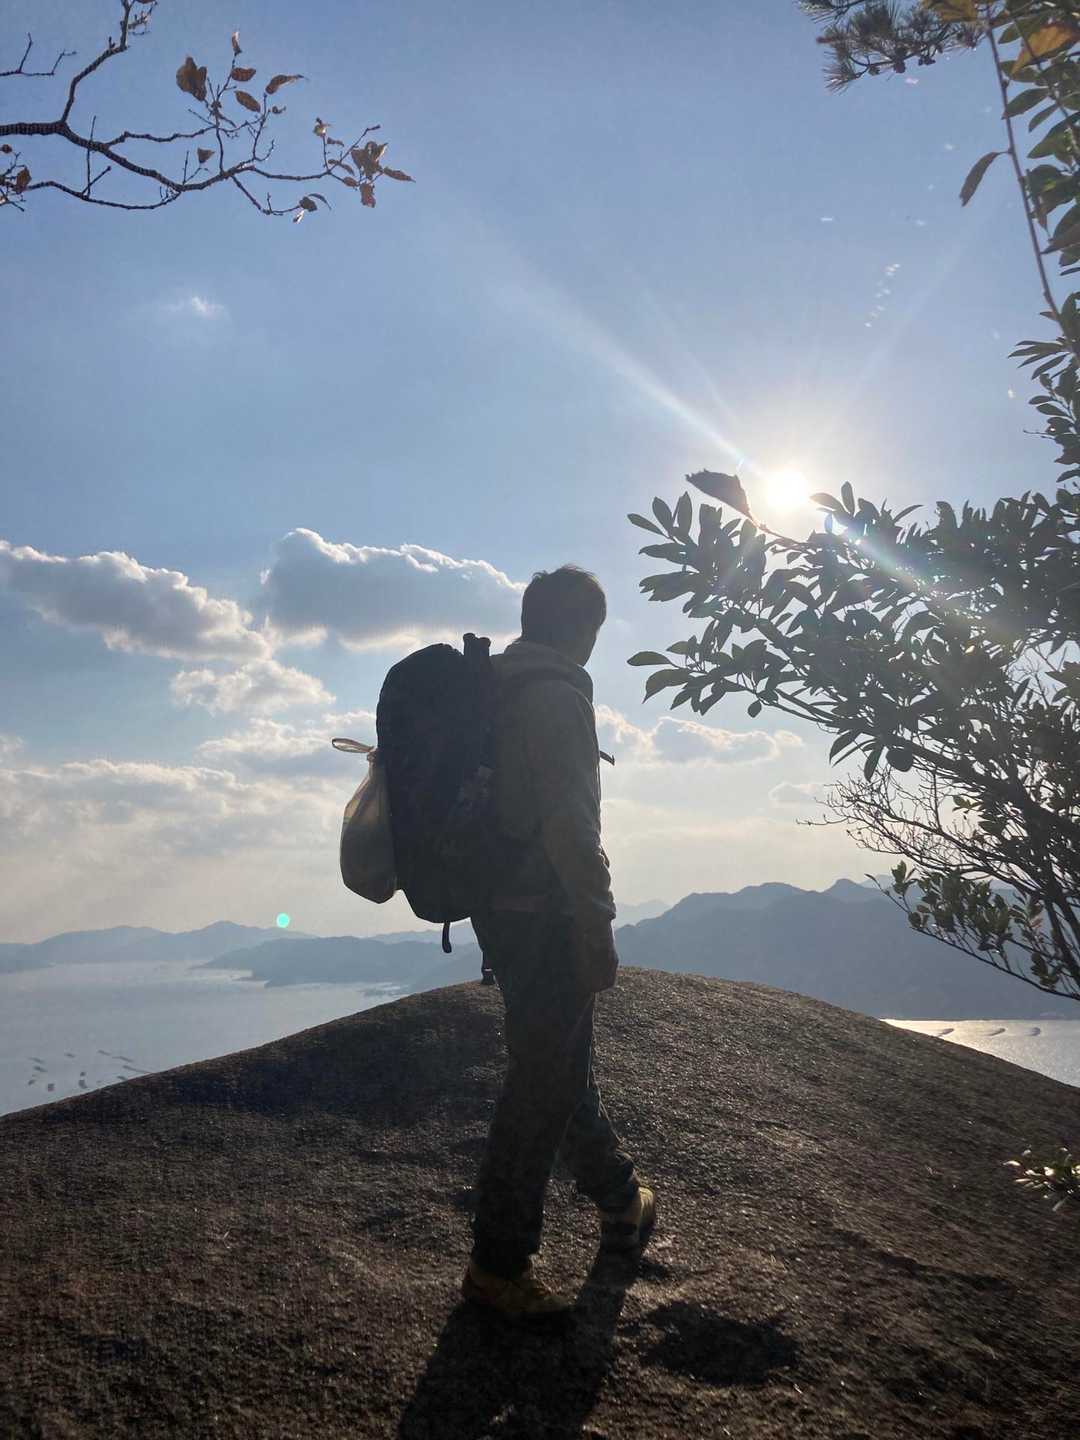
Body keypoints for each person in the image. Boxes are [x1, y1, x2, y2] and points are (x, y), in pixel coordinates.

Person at [462, 565, 657, 1320]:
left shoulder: (496, 686)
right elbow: (572, 828)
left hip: (495, 908)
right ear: (583, 629)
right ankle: (497, 1267)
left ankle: (622, 1198)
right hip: (544, 913)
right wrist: (597, 923)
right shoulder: (555, 697)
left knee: (556, 1064)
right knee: (538, 1087)